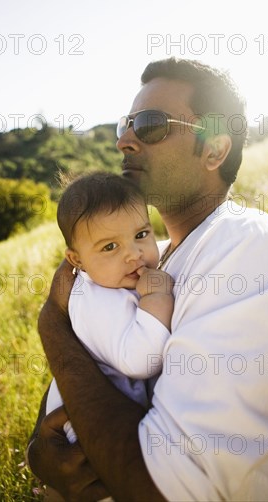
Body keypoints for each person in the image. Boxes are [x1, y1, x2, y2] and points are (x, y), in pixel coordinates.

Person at [28, 58, 268, 502]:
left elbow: (165, 489)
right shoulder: (150, 260)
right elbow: (95, 362)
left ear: (214, 150)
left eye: (151, 124)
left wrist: (50, 326)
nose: (124, 140)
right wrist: (40, 453)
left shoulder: (245, 244)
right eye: (127, 123)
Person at [46, 172, 174, 442]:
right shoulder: (94, 301)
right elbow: (141, 361)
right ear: (76, 260)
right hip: (88, 441)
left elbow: (163, 248)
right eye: (110, 247)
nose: (133, 253)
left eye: (141, 234)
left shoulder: (111, 276)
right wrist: (156, 298)